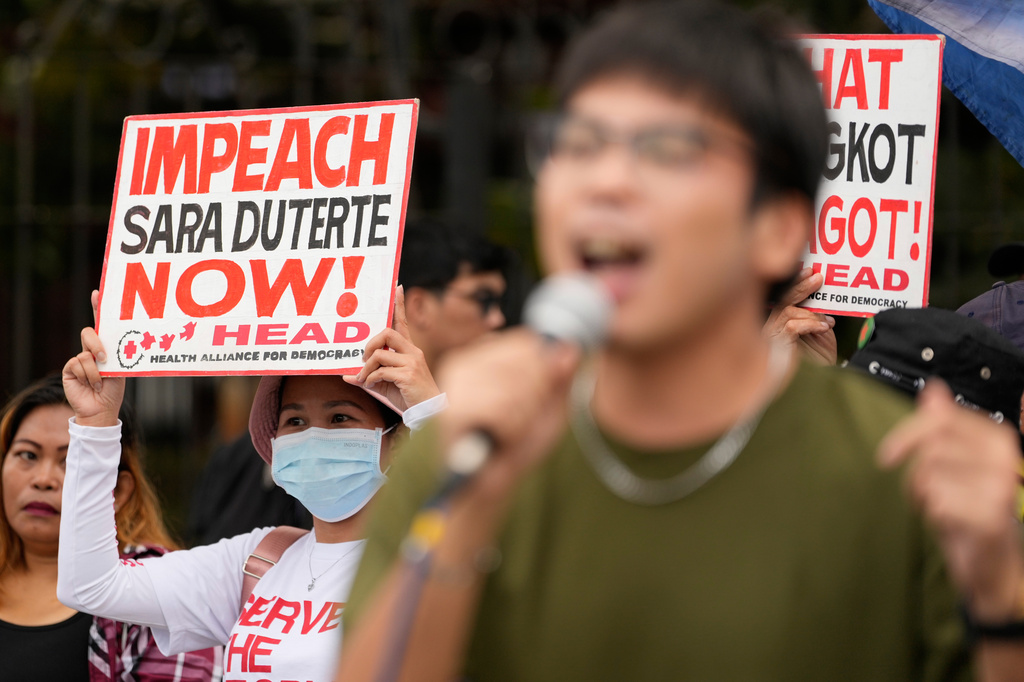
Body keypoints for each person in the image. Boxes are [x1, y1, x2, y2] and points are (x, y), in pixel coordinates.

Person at [338, 3, 1024, 681]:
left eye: (668, 151)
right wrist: (464, 516)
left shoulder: (897, 468)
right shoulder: (462, 452)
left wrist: (997, 597)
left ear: (780, 229)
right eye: (576, 145)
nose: (605, 183)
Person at [57, 292, 446, 682]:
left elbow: (490, 514)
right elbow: (91, 587)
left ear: (394, 442)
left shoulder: (424, 556)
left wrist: (428, 408)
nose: (314, 437)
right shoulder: (260, 560)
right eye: (294, 422)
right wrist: (96, 423)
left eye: (340, 417)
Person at [0, 374, 221, 681]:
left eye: (70, 461)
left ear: (118, 490)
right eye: (28, 455)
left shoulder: (159, 589)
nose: (43, 479)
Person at [397, 220, 512, 369]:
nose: (497, 319)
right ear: (420, 307)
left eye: (500, 302)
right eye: (483, 299)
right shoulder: (363, 388)